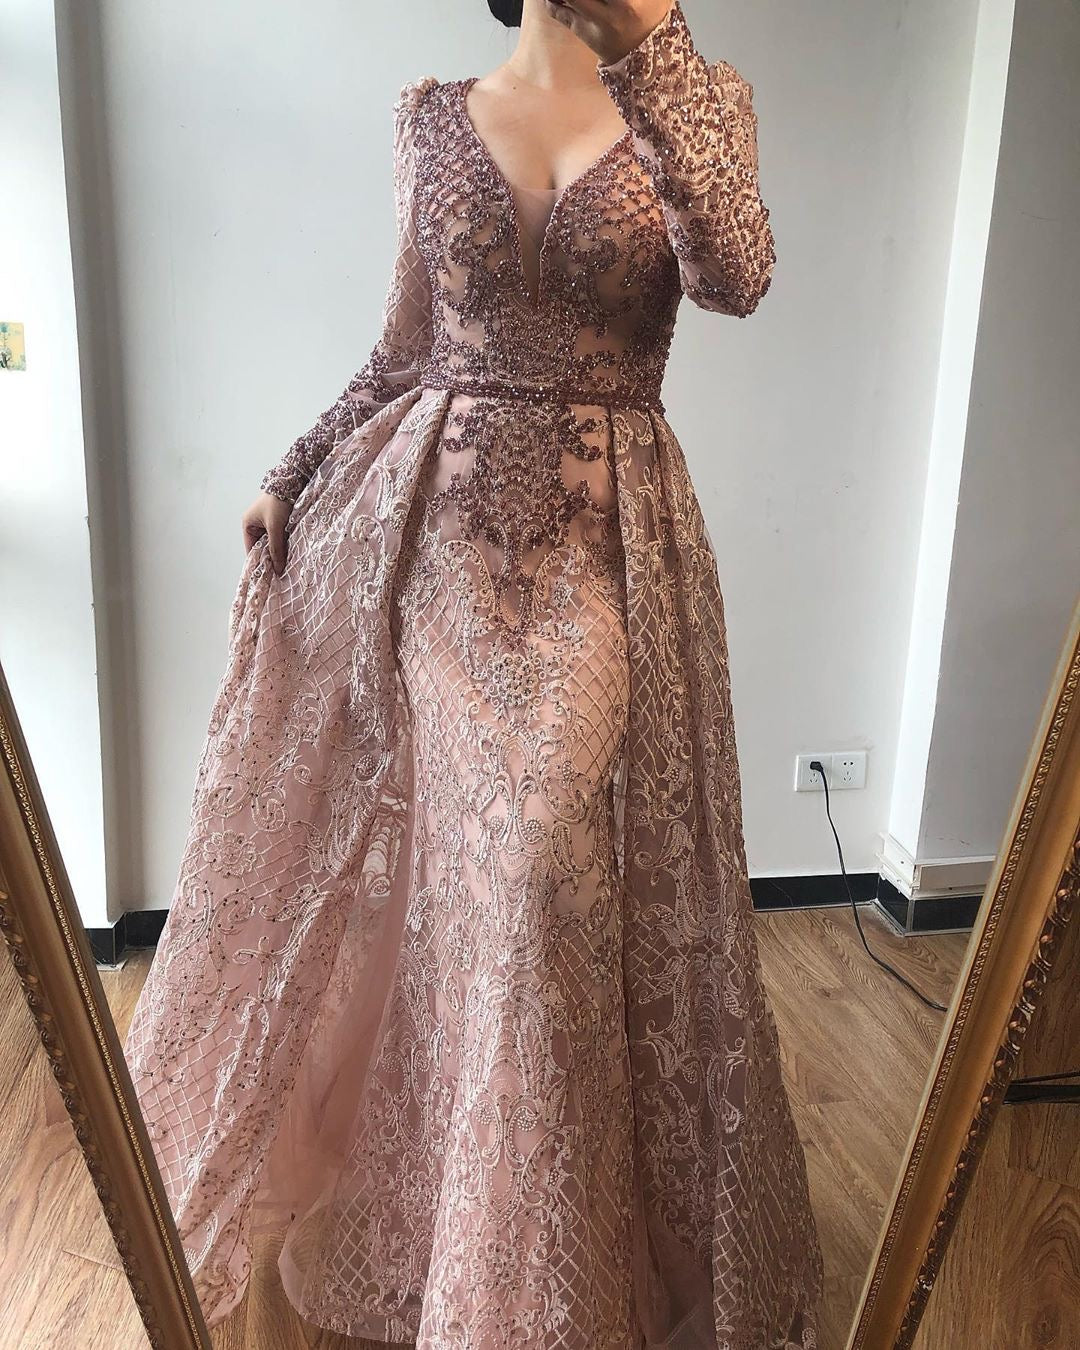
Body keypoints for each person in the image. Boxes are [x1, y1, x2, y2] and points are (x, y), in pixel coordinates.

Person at [123, 1, 825, 1345]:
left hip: (606, 560)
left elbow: (737, 274)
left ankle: (546, 1263)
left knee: (539, 864)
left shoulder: (697, 97)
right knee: (478, 889)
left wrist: (653, 44)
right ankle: (475, 1235)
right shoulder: (430, 117)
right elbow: (403, 350)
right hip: (439, 557)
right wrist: (293, 470)